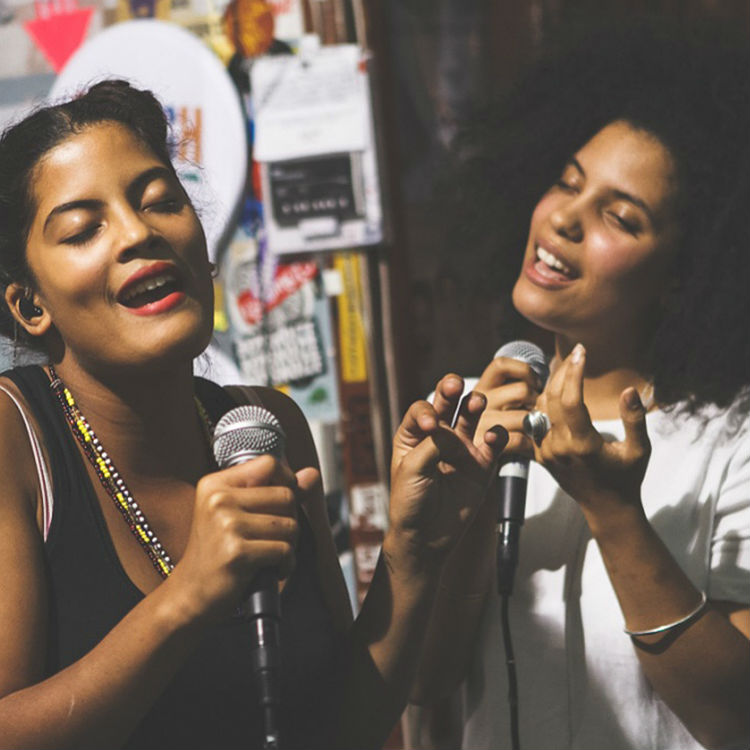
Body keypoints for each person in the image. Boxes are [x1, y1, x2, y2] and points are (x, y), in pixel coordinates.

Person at [0, 79, 508, 749]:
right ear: (31, 305)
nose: (138, 232)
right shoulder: (15, 436)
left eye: (160, 200)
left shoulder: (266, 426)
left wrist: (411, 555)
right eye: (82, 229)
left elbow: (343, 725)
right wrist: (188, 597)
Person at [409, 17, 750, 750]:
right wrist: (465, 506)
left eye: (618, 217)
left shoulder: (732, 443)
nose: (563, 219)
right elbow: (422, 680)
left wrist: (615, 513)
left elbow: (736, 714)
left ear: (682, 278)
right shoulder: (471, 413)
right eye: (566, 183)